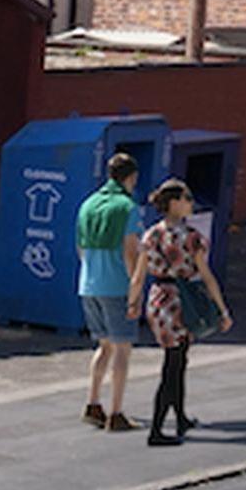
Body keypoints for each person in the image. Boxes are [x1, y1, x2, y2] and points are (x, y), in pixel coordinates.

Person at [126, 178, 231, 448]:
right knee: (173, 366)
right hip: (182, 303)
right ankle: (157, 430)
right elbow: (206, 276)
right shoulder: (192, 238)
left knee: (178, 359)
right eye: (186, 198)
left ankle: (181, 417)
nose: (191, 203)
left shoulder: (150, 235)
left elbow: (138, 277)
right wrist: (222, 309)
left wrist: (133, 304)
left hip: (159, 300)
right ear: (174, 203)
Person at [76, 150, 141, 432]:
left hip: (88, 283)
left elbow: (80, 248)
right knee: (123, 350)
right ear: (132, 177)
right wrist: (135, 287)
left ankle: (93, 403)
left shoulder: (88, 204)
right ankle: (116, 412)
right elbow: (130, 251)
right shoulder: (127, 208)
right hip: (116, 286)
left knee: (103, 347)